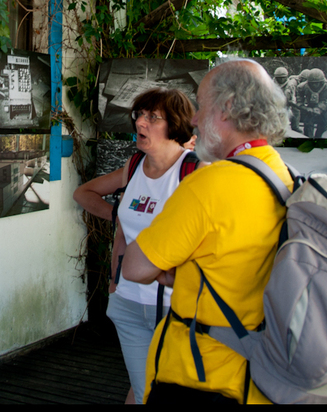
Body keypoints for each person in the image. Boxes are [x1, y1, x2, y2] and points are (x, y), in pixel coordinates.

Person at [122, 58, 293, 404]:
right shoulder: (280, 174)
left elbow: (135, 268)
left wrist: (172, 271)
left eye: (201, 106)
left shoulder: (209, 184)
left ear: (227, 108)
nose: (195, 119)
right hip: (260, 378)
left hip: (198, 377)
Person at [73, 88, 205, 404]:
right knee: (144, 387)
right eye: (139, 115)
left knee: (170, 392)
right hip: (129, 303)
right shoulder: (134, 167)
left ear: (175, 125)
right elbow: (96, 205)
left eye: (152, 117)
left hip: (178, 307)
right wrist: (115, 283)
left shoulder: (195, 171)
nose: (140, 124)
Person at [296, 67, 327, 138]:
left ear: (321, 82)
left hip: (323, 109)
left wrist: (319, 108)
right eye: (312, 83)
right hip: (309, 107)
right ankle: (308, 140)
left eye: (317, 83)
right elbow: (299, 101)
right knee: (307, 125)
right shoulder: (302, 87)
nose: (314, 85)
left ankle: (318, 138)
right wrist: (304, 107)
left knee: (323, 125)